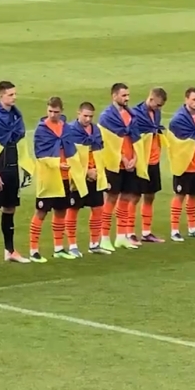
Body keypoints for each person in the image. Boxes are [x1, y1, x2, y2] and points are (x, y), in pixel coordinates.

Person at [0, 81, 33, 266]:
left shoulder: (16, 116)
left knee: (10, 209)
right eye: (10, 94)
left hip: (11, 167)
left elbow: (20, 140)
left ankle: (10, 250)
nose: (14, 97)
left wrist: (24, 165)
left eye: (15, 94)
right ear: (0, 96)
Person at [28, 97, 85, 262]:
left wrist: (72, 168)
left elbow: (71, 150)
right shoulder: (41, 129)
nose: (53, 114)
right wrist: (58, 164)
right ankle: (33, 250)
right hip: (48, 178)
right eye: (50, 111)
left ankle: (59, 247)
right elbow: (40, 154)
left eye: (56, 112)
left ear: (62, 111)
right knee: (41, 211)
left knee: (61, 211)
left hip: (65, 177)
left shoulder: (66, 128)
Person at [98, 83, 146, 251]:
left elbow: (136, 139)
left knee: (126, 198)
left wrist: (135, 158)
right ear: (114, 96)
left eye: (128, 95)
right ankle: (104, 237)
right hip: (114, 164)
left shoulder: (131, 115)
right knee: (110, 199)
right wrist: (123, 158)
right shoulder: (106, 117)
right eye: (124, 95)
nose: (127, 98)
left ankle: (121, 236)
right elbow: (107, 144)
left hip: (130, 164)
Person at [63, 101, 108, 256]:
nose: (88, 119)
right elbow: (70, 156)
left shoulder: (96, 130)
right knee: (73, 209)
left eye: (90, 116)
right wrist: (86, 171)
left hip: (95, 176)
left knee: (97, 209)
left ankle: (94, 244)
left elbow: (100, 151)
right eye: (85, 116)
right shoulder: (70, 131)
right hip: (77, 177)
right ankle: (72, 245)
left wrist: (97, 171)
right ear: (78, 113)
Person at [166, 88, 195, 241]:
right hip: (183, 164)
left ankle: (192, 228)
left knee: (193, 196)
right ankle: (174, 230)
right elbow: (177, 142)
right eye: (194, 99)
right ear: (186, 100)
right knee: (180, 195)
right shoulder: (178, 120)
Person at [130, 88, 167, 243]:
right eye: (157, 105)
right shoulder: (136, 114)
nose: (159, 108)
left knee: (150, 195)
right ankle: (129, 232)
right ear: (151, 99)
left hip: (154, 160)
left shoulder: (156, 113)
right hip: (141, 161)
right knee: (135, 196)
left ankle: (146, 232)